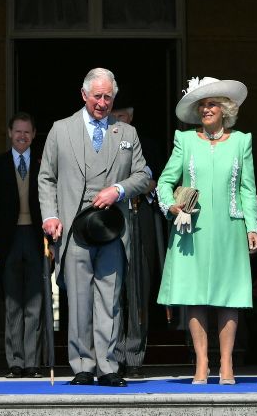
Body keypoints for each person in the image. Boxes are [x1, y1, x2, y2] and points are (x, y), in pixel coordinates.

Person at [38, 67, 150, 387]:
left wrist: (118, 189)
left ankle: (109, 365)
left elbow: (142, 176)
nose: (103, 102)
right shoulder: (61, 130)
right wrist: (50, 216)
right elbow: (47, 177)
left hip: (113, 227)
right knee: (79, 297)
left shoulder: (127, 134)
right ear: (84, 94)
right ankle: (82, 364)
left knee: (110, 296)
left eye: (108, 97)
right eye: (97, 96)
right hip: (74, 229)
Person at [156, 76, 257, 385]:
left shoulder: (242, 141)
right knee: (195, 295)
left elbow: (248, 189)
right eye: (201, 105)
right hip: (192, 230)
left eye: (211, 103)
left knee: (230, 296)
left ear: (225, 109)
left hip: (230, 227)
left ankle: (226, 362)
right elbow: (164, 181)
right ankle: (201, 362)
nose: (206, 109)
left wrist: (252, 226)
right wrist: (171, 205)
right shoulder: (185, 141)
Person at [0, 112, 44, 378]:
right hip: (7, 241)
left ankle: (32, 362)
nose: (22, 136)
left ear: (33, 135)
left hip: (34, 237)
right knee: (12, 304)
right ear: (9, 133)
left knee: (36, 302)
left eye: (27, 132)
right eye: (18, 132)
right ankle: (15, 362)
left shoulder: (44, 164)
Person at [109, 93, 165, 379]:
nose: (117, 121)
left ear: (130, 120)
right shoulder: (102, 145)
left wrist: (141, 184)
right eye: (113, 116)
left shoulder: (149, 145)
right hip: (110, 223)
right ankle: (112, 357)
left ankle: (134, 357)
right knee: (112, 292)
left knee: (138, 291)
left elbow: (157, 183)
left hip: (140, 220)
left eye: (122, 116)